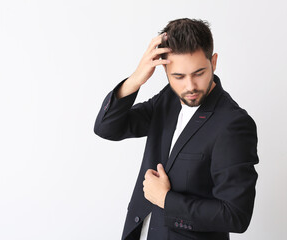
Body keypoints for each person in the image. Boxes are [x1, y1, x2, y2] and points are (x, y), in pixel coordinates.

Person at [94, 18, 258, 240]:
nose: (189, 86)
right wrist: (135, 80)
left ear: (214, 62)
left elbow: (236, 215)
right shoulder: (168, 100)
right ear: (165, 70)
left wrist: (165, 199)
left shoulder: (233, 124)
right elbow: (107, 128)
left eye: (199, 73)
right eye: (178, 76)